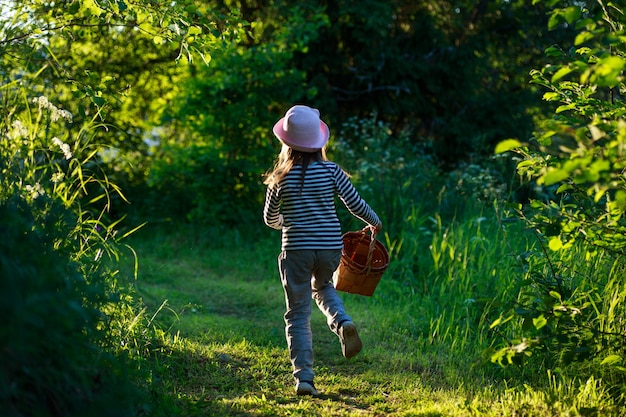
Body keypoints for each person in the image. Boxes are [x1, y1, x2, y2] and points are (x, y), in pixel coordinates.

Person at [262, 105, 383, 397]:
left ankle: (304, 378)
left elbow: (270, 218)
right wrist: (374, 222)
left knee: (298, 314)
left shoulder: (279, 176)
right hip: (330, 247)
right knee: (324, 285)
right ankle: (342, 321)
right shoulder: (331, 171)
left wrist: (287, 223)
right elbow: (355, 204)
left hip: (297, 250)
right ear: (318, 142)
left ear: (286, 143)